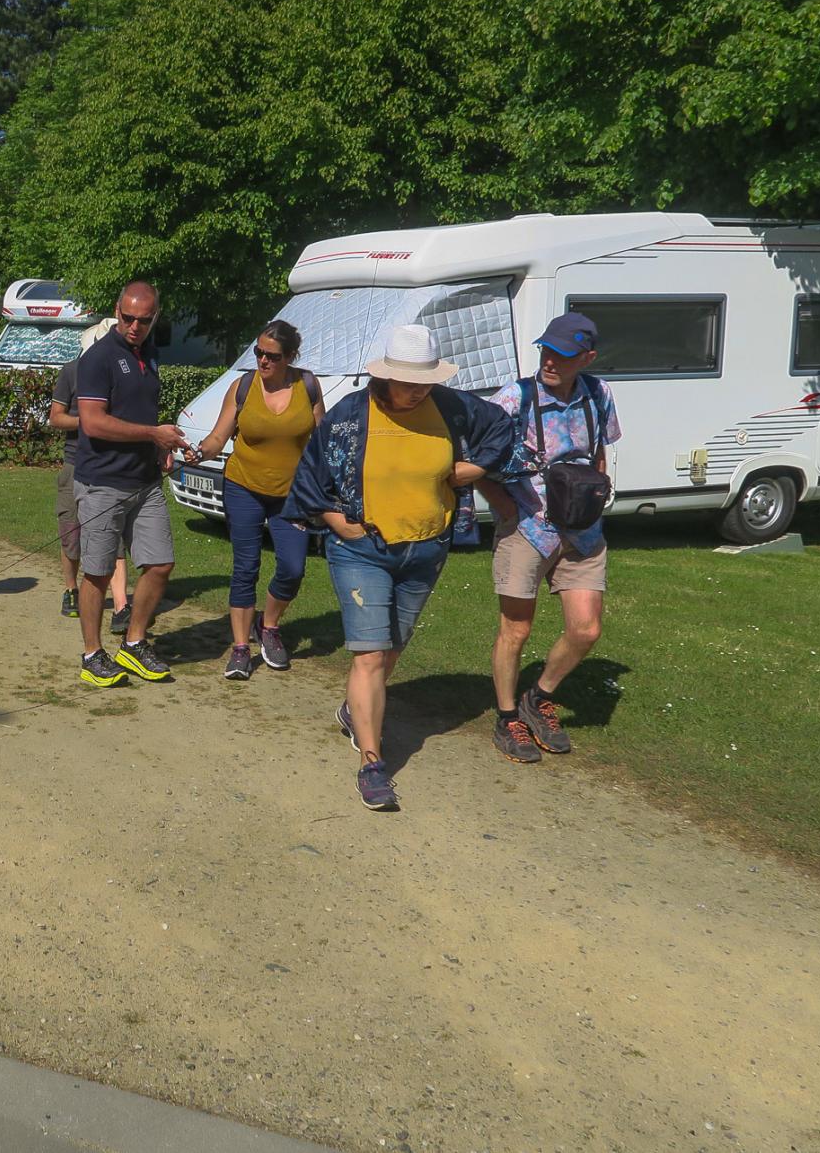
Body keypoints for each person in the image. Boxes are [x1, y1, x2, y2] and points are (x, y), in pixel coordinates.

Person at [286, 324, 512, 812]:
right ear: (386, 376)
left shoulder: (451, 407)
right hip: (363, 549)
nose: (417, 390)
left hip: (426, 549)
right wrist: (330, 519)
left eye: (424, 381)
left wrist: (473, 469)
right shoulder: (349, 415)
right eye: (408, 381)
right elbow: (308, 477)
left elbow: (501, 428)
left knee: (392, 647)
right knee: (369, 655)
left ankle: (355, 710)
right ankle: (372, 762)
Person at [475, 314, 621, 762]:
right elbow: (474, 456)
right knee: (515, 629)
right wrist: (502, 505)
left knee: (586, 629)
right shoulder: (514, 398)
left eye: (563, 354)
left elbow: (598, 450)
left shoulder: (598, 394)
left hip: (583, 530)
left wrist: (597, 488)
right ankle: (506, 718)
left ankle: (537, 699)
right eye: (546, 350)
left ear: (588, 358)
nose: (551, 361)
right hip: (528, 529)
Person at [182, 319, 324, 680]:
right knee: (246, 567)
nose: (262, 360)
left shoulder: (307, 385)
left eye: (272, 356)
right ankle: (241, 648)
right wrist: (199, 452)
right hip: (243, 487)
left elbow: (321, 443)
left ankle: (270, 626)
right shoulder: (243, 386)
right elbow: (218, 437)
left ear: (291, 356)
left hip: (291, 496)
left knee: (293, 568)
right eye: (259, 352)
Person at [72, 282, 186, 687]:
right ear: (116, 312)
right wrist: (153, 434)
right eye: (127, 317)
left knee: (160, 564)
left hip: (144, 480)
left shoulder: (149, 353)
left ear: (155, 316)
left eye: (144, 319)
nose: (135, 326)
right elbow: (93, 422)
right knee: (99, 573)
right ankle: (92, 654)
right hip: (102, 481)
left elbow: (142, 410)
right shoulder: (98, 358)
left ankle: (134, 643)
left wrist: (159, 448)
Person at [49, 320, 130, 628]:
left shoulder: (126, 371)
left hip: (113, 466)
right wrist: (92, 421)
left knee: (114, 535)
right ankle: (71, 590)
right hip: (75, 463)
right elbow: (56, 418)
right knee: (71, 535)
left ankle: (121, 606)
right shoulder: (72, 371)